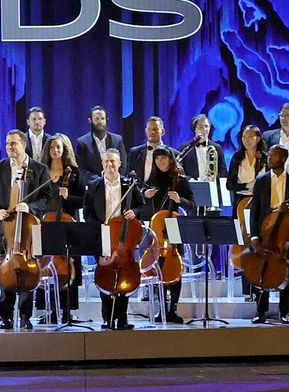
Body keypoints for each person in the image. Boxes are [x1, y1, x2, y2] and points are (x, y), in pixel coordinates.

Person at [0, 130, 45, 330]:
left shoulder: (39, 169)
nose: (9, 147)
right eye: (7, 144)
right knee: (6, 271)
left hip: (29, 230)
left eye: (13, 143)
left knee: (27, 271)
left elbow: (46, 198)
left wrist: (30, 207)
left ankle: (25, 316)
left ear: (24, 145)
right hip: (5, 229)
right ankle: (5, 316)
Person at [247, 145, 289, 323]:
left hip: (285, 233)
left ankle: (284, 312)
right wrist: (254, 236)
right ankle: (260, 311)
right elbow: (255, 210)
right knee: (262, 269)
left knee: (285, 271)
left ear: (282, 159)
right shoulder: (261, 180)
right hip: (265, 232)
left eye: (272, 156)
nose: (268, 158)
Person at [83, 149, 141, 330]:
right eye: (106, 162)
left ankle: (122, 318)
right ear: (102, 164)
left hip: (124, 237)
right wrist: (101, 227)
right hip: (102, 235)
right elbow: (87, 212)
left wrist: (135, 212)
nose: (110, 165)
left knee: (125, 273)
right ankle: (107, 319)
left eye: (113, 162)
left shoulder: (129, 184)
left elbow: (142, 206)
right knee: (105, 274)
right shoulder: (94, 185)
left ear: (119, 164)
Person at [141, 148, 189, 323]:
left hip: (174, 226)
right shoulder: (151, 181)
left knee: (175, 268)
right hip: (155, 229)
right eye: (158, 159)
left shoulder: (180, 181)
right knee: (155, 269)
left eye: (164, 159)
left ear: (170, 160)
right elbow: (140, 204)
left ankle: (173, 310)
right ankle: (160, 308)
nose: (161, 162)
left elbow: (192, 205)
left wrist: (179, 200)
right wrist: (144, 195)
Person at [40, 133, 85, 320]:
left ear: (64, 150)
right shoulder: (42, 171)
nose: (55, 150)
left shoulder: (74, 173)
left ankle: (67, 310)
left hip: (68, 223)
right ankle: (49, 310)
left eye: (58, 147)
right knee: (46, 264)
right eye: (52, 148)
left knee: (67, 265)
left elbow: (82, 200)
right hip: (47, 222)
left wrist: (69, 197)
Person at [227, 124, 267, 299]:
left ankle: (262, 285)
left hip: (260, 204)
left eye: (251, 137)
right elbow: (230, 184)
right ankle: (247, 289)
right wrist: (246, 186)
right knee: (245, 244)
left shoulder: (265, 158)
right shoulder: (237, 158)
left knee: (259, 242)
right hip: (241, 204)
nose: (247, 140)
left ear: (258, 138)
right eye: (244, 137)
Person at [74, 107, 124, 185]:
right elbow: (81, 169)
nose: (100, 122)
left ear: (107, 120)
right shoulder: (82, 142)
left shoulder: (117, 140)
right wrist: (99, 181)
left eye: (102, 119)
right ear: (90, 121)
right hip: (93, 186)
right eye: (96, 119)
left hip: (115, 184)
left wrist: (115, 180)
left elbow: (123, 164)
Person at [180, 113, 223, 182]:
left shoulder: (217, 147)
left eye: (206, 126)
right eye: (201, 127)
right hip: (192, 186)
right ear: (195, 129)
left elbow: (223, 171)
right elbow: (180, 170)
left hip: (212, 186)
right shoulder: (185, 148)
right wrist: (190, 180)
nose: (204, 130)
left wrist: (214, 179)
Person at [128, 116, 171, 183]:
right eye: (149, 129)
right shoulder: (135, 152)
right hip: (140, 192)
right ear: (146, 131)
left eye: (155, 129)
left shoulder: (173, 153)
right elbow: (129, 177)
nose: (152, 132)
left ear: (162, 131)